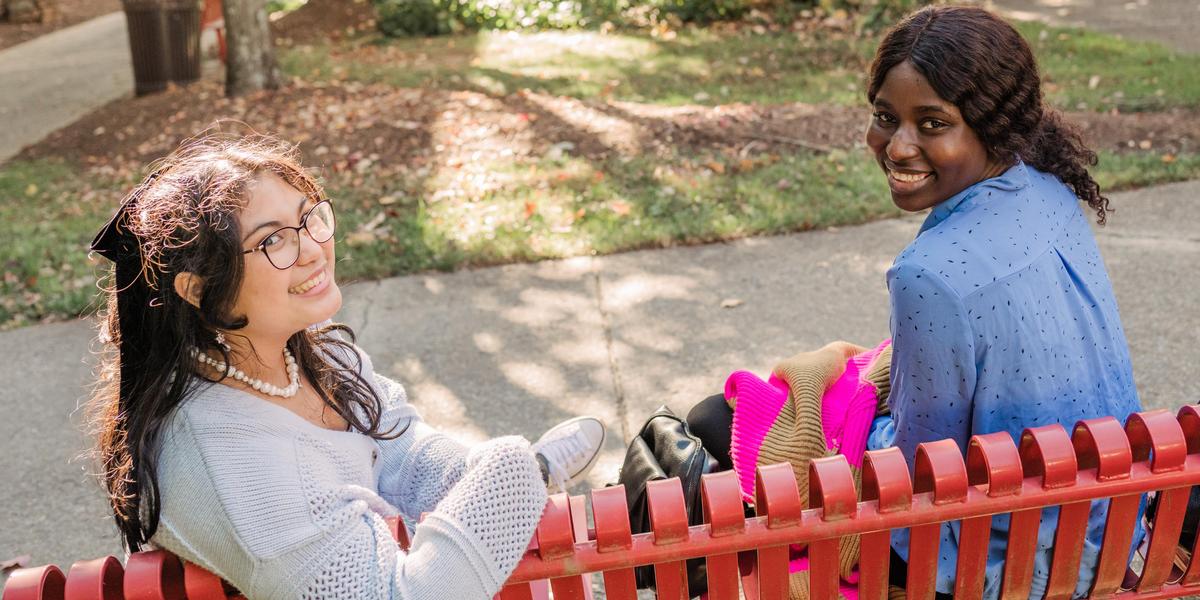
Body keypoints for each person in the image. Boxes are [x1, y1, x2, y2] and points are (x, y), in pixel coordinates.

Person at [685, 5, 1144, 599]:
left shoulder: (928, 275)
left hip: (999, 562)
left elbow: (918, 468)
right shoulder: (1046, 186)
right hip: (1108, 518)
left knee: (713, 419)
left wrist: (847, 417)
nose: (897, 147)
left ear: (992, 126)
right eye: (885, 117)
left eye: (932, 123)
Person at [85, 133, 607, 600]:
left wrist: (472, 480)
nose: (313, 248)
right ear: (198, 288)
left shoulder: (317, 356)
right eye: (273, 240)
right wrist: (521, 470)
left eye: (307, 217)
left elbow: (408, 454)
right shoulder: (227, 459)